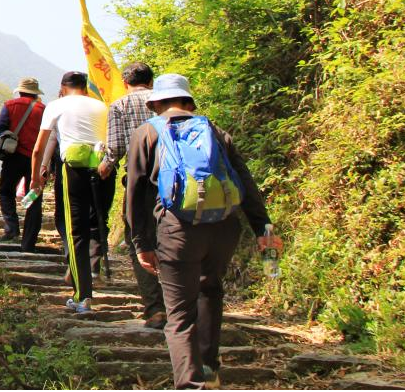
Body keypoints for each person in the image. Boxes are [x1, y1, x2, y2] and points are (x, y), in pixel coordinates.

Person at [125, 74, 283, 390]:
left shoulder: (147, 133)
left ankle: (190, 385)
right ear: (188, 102)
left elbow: (134, 191)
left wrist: (140, 241)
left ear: (156, 104)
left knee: (180, 315)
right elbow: (246, 185)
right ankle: (210, 370)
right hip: (225, 229)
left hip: (178, 231)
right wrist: (263, 231)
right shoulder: (214, 131)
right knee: (210, 289)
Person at [31, 71, 112, 314]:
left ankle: (83, 296)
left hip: (73, 170)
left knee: (76, 231)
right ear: (85, 87)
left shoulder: (56, 105)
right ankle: (96, 268)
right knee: (97, 221)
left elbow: (39, 148)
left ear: (63, 87)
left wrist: (36, 179)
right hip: (103, 168)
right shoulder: (101, 106)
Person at [98, 61, 166, 330]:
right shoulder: (165, 102)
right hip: (173, 180)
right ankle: (179, 303)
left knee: (139, 240)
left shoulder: (121, 105)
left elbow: (115, 147)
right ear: (151, 81)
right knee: (170, 239)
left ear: (125, 83)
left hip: (139, 182)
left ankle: (155, 308)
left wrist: (105, 166)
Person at [0, 78, 46, 250]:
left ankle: (12, 228)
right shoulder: (43, 109)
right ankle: (29, 240)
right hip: (36, 159)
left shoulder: (10, 105)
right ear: (36, 93)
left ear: (20, 91)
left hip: (14, 156)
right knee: (35, 196)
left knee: (6, 192)